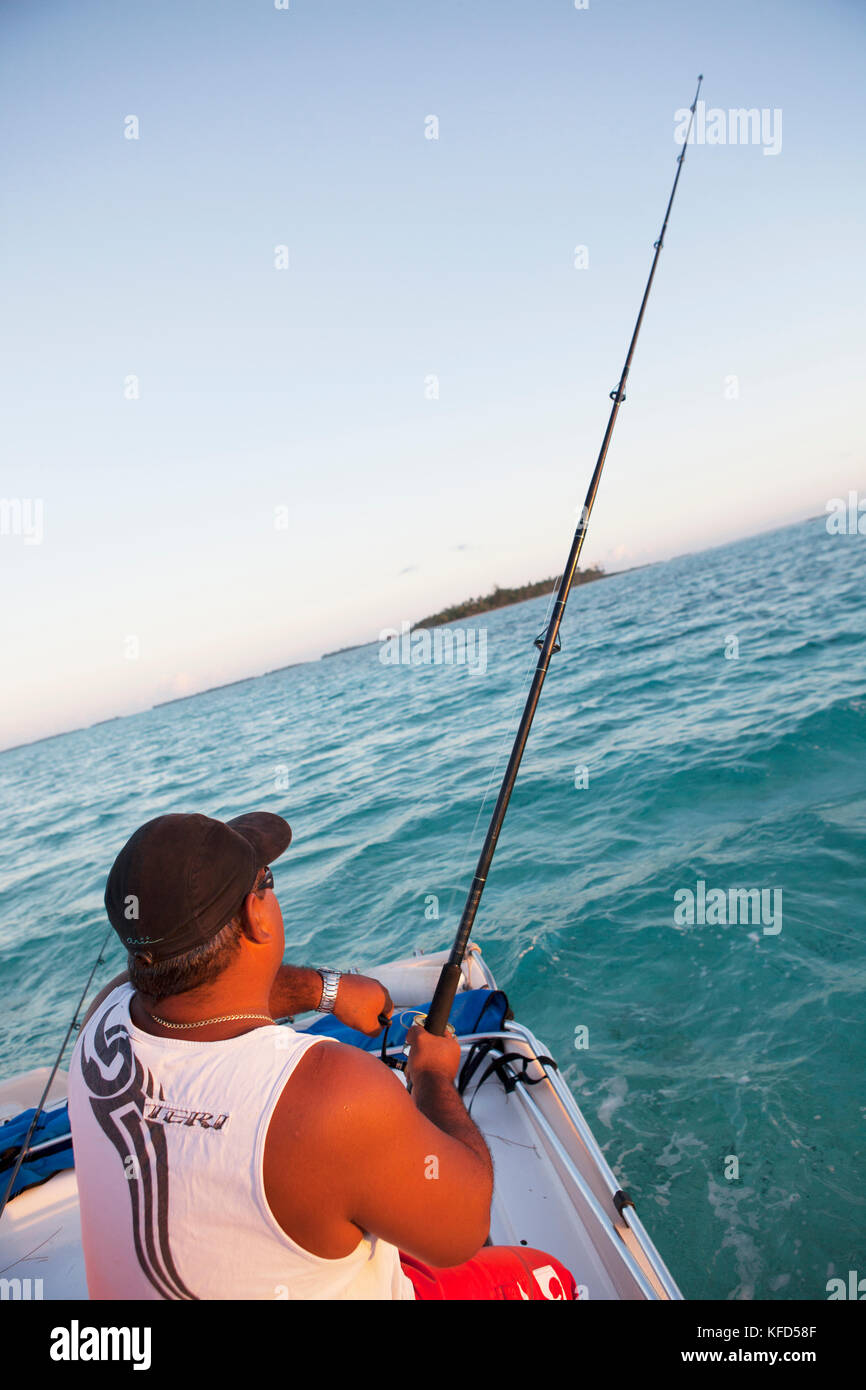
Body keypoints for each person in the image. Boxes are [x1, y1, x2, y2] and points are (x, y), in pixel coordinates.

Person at [67, 811, 577, 1300]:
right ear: (255, 914)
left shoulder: (103, 1018)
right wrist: (433, 1078)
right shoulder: (326, 1094)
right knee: (552, 1276)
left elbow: (190, 989)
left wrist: (325, 990)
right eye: (267, 880)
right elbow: (463, 1232)